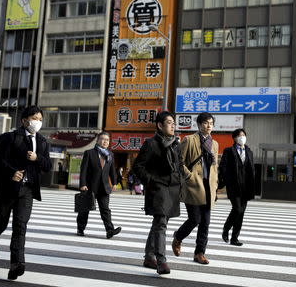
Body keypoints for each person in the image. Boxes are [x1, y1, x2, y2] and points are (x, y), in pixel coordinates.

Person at [0, 106, 52, 280]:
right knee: (1, 223)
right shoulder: (9, 138)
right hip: (6, 189)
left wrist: (37, 158)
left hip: (27, 190)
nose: (37, 122)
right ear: (24, 120)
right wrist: (11, 173)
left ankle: (16, 264)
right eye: (34, 118)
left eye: (40, 119)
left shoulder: (43, 142)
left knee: (20, 227)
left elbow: (47, 166)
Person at [133, 111, 185, 274]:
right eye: (169, 122)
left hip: (173, 188)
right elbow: (138, 167)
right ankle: (161, 260)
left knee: (159, 224)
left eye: (173, 122)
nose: (172, 125)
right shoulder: (151, 143)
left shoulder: (176, 143)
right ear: (160, 125)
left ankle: (149, 256)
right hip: (159, 188)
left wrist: (181, 179)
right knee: (161, 223)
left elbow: (180, 164)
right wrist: (152, 181)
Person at [172, 112, 218, 265]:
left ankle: (199, 253)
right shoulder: (189, 140)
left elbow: (214, 167)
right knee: (195, 219)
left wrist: (215, 185)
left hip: (208, 187)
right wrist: (188, 176)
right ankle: (178, 237)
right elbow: (179, 161)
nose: (209, 125)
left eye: (211, 122)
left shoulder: (215, 144)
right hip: (193, 185)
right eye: (205, 122)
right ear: (199, 125)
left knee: (205, 222)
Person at [77, 131, 121, 239]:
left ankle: (109, 230)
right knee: (85, 209)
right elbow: (83, 170)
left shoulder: (110, 154)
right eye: (103, 139)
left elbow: (112, 170)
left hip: (104, 187)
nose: (105, 141)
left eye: (107, 140)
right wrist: (82, 184)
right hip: (90, 186)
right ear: (98, 140)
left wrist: (114, 183)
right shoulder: (89, 153)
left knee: (105, 209)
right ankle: (80, 229)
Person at [218, 129, 255, 246]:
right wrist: (224, 181)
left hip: (246, 187)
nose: (242, 137)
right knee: (237, 209)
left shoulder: (249, 152)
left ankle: (235, 238)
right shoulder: (229, 151)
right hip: (234, 186)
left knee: (241, 213)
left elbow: (251, 170)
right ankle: (226, 228)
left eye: (244, 135)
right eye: (239, 136)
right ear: (234, 138)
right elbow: (222, 167)